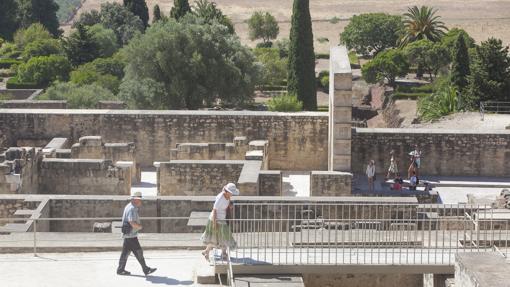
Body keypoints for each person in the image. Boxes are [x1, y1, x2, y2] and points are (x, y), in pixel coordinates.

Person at [117, 192, 157, 276]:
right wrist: (139, 226)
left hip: (128, 234)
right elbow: (131, 221)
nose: (140, 202)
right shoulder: (132, 208)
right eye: (139, 200)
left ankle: (120, 270)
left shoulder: (129, 206)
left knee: (125, 253)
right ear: (135, 199)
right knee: (138, 251)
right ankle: (146, 269)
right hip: (131, 234)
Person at [201, 183, 239, 261]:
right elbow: (215, 210)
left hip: (222, 219)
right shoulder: (220, 198)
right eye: (231, 193)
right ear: (227, 191)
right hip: (215, 220)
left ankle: (208, 251)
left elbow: (225, 205)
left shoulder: (227, 196)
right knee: (219, 237)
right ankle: (222, 253)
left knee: (220, 237)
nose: (232, 195)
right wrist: (215, 224)